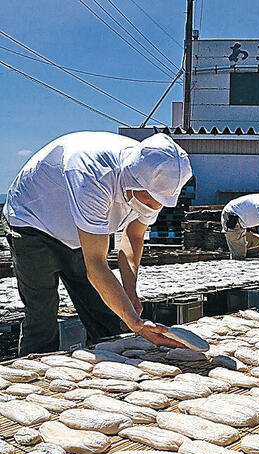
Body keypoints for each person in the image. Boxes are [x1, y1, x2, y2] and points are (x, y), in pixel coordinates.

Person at [3, 131, 192, 356]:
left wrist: (130, 295)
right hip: (33, 222)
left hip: (81, 232)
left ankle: (117, 360)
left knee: (106, 311)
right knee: (42, 314)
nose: (154, 206)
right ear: (133, 179)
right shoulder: (92, 174)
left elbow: (134, 237)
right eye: (150, 199)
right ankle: (34, 372)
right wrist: (135, 322)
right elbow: (95, 265)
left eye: (160, 202)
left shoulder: (154, 182)